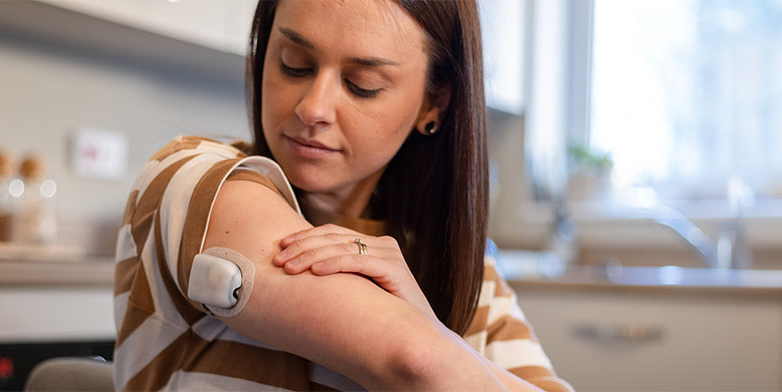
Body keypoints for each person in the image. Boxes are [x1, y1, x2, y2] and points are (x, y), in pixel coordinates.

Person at [112, 1, 572, 390]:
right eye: (294, 62)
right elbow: (415, 361)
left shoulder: (470, 272)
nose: (312, 108)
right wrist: (432, 342)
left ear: (434, 103)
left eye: (362, 85)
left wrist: (432, 333)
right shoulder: (194, 180)